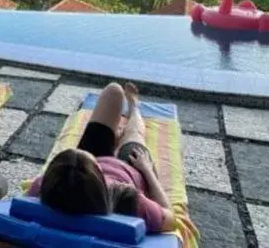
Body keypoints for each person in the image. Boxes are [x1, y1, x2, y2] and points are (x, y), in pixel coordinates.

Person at [27, 82, 177, 233]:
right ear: (99, 176)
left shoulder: (41, 187)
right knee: (134, 134)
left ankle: (114, 137)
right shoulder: (129, 200)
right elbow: (171, 220)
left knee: (113, 91)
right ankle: (133, 106)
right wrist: (147, 170)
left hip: (78, 173)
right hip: (131, 167)